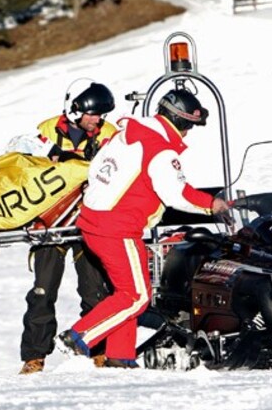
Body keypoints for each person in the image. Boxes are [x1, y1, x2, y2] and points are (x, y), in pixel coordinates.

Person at [56, 88, 231, 368]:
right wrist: (214, 204)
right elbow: (177, 193)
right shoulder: (159, 149)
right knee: (137, 296)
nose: (188, 134)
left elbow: (97, 170)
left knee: (124, 292)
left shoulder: (124, 135)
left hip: (94, 222)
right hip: (117, 227)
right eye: (190, 127)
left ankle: (121, 356)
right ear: (182, 122)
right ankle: (79, 336)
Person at [18, 82, 118, 374]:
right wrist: (53, 155)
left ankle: (98, 350)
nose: (97, 119)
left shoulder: (110, 135)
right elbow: (19, 153)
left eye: (100, 114)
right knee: (42, 291)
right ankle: (34, 357)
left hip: (89, 222)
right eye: (92, 114)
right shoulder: (47, 130)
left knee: (95, 289)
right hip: (52, 223)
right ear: (74, 110)